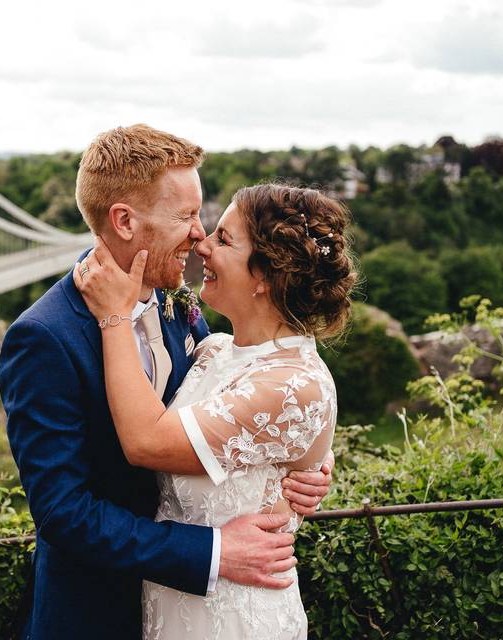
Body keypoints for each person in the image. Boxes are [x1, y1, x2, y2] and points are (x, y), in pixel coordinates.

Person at [0, 126, 333, 640]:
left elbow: (253, 401)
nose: (199, 235)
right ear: (124, 221)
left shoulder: (183, 308)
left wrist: (305, 462)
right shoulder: (44, 337)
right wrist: (215, 552)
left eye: (205, 219)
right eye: (185, 217)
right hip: (97, 615)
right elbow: (63, 513)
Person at [73, 183, 356, 639]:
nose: (201, 244)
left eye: (223, 239)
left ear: (266, 275)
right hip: (170, 605)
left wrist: (113, 317)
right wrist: (315, 462)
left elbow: (147, 440)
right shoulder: (212, 349)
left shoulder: (294, 385)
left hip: (236, 616)